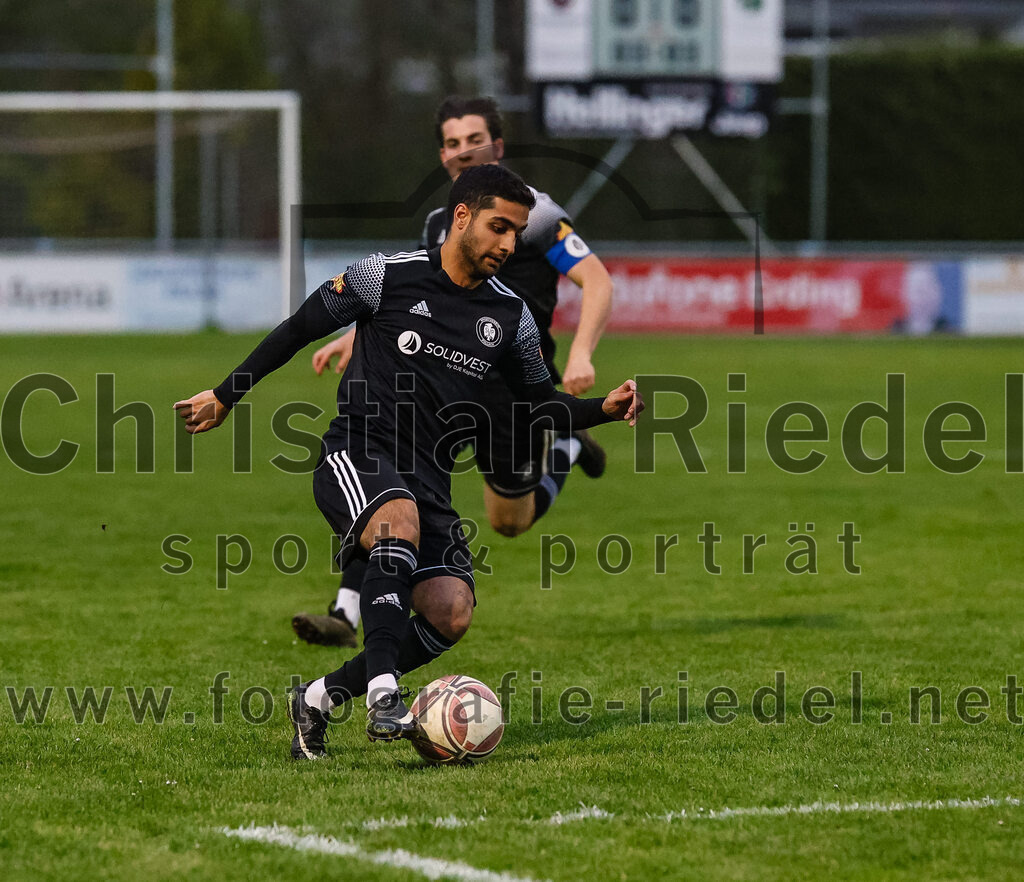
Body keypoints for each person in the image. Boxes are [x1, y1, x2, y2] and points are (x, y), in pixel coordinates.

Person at [174, 164, 643, 758]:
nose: (506, 244)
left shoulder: (512, 317)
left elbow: (540, 405)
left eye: (517, 234)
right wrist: (225, 395)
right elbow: (297, 330)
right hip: (357, 452)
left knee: (451, 611)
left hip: (429, 481)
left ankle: (317, 698)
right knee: (396, 522)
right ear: (462, 216)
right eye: (498, 227)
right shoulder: (383, 277)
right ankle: (384, 695)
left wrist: (603, 407)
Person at [293, 95, 615, 649]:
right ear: (442, 154)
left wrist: (582, 354)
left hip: (514, 390)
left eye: (474, 140)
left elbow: (598, 280)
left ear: (498, 147)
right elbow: (419, 293)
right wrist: (355, 333)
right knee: (392, 477)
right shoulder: (445, 221)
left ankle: (566, 449)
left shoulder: (536, 215)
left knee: (509, 522)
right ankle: (347, 612)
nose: (462, 150)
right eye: (451, 142)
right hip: (445, 376)